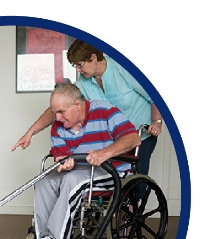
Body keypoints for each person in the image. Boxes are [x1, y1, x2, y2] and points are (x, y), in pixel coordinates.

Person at [11, 39, 162, 182]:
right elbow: (59, 107)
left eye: (80, 64)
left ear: (94, 58)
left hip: (140, 133)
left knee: (137, 183)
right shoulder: (83, 82)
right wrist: (31, 132)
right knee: (116, 182)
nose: (77, 69)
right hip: (111, 138)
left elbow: (154, 95)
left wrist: (157, 122)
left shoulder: (123, 67)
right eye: (74, 65)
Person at [31, 83, 140, 239]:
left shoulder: (104, 111)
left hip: (111, 170)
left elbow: (133, 138)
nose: (56, 117)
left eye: (61, 111)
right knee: (44, 180)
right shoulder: (58, 126)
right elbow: (61, 154)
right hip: (79, 170)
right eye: (54, 112)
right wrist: (64, 161)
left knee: (72, 180)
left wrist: (104, 153)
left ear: (77, 105)